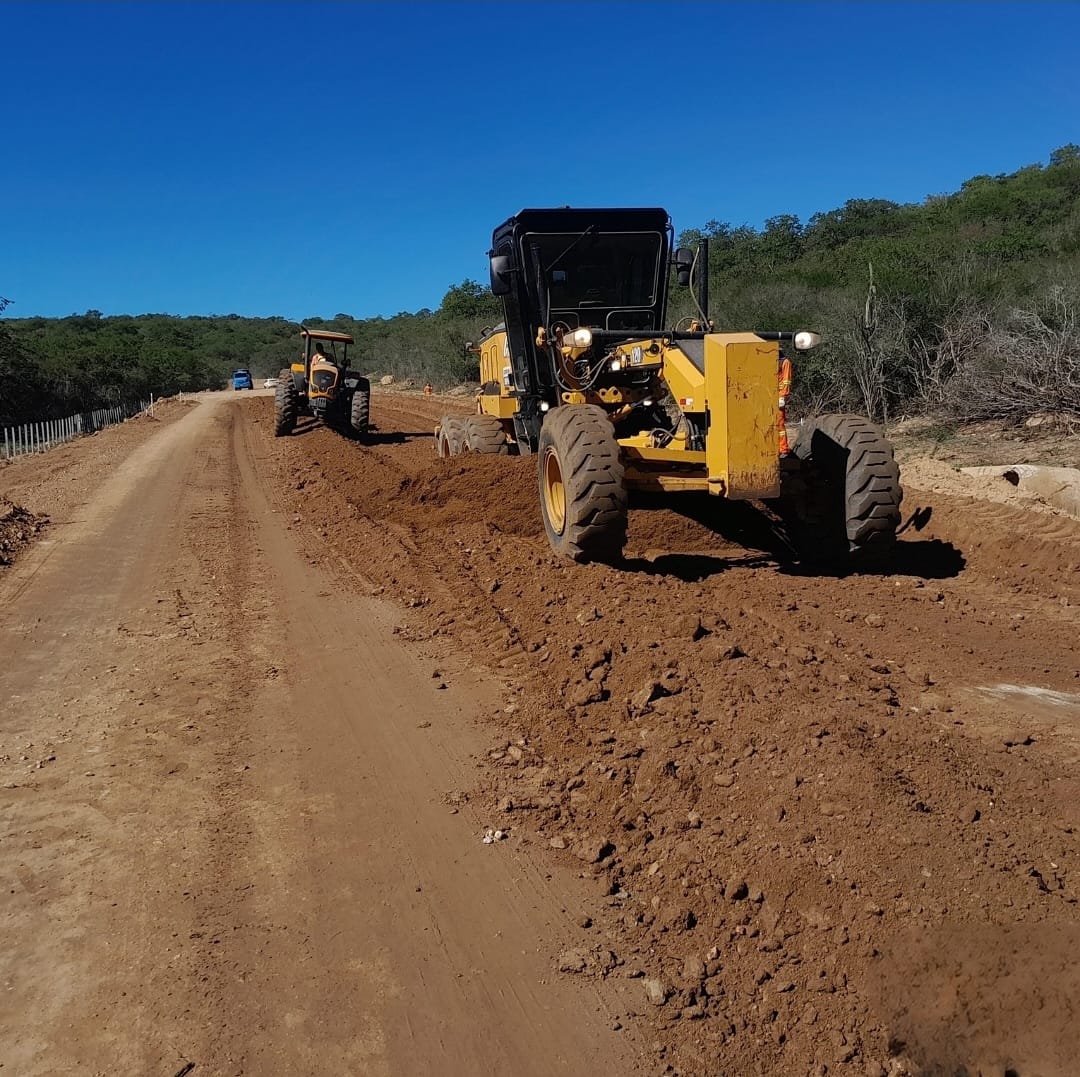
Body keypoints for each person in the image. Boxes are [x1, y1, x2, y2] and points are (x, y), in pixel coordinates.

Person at [777, 350, 793, 456]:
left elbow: (786, 380)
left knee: (779, 423)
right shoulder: (770, 360)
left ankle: (783, 448)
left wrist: (782, 396)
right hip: (768, 393)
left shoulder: (785, 362)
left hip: (778, 395)